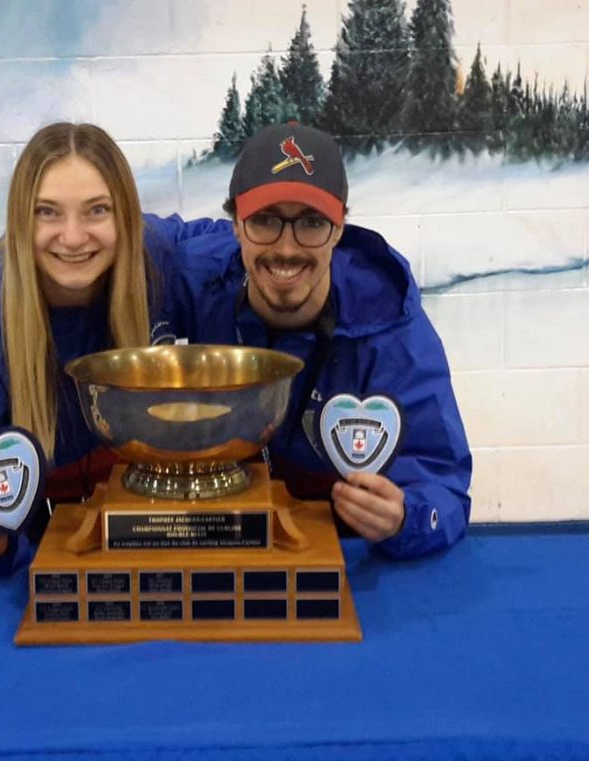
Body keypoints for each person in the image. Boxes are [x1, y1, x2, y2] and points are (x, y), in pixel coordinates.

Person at [0, 122, 221, 577]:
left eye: (96, 211)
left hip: (147, 545)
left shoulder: (150, 259)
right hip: (36, 573)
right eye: (47, 212)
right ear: (19, 220)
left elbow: (238, 247)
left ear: (125, 216)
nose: (73, 237)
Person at [163, 122, 472, 557]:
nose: (286, 248)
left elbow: (444, 488)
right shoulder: (200, 274)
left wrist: (406, 518)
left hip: (338, 557)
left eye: (311, 223)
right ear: (235, 225)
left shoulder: (388, 325)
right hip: (219, 540)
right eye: (265, 221)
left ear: (340, 227)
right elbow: (125, 235)